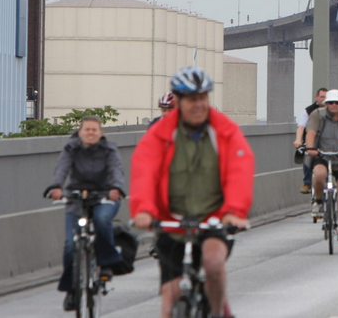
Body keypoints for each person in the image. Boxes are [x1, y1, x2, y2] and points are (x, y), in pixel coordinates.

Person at [131, 66, 254, 318]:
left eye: (203, 98)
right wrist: (144, 209)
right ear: (178, 101)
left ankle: (217, 313)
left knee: (213, 262)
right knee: (170, 300)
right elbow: (145, 171)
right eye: (191, 99)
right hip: (172, 220)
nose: (198, 105)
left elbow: (239, 170)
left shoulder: (225, 130)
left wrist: (234, 211)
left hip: (215, 218)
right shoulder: (161, 133)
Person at [46, 116, 127, 312]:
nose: (90, 133)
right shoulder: (71, 149)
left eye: (94, 130)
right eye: (87, 129)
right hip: (76, 198)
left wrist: (116, 188)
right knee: (70, 246)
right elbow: (62, 169)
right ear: (80, 132)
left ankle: (107, 263)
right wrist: (56, 186)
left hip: (104, 196)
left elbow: (116, 170)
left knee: (101, 220)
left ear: (101, 133)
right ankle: (71, 290)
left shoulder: (109, 149)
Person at [305, 89, 338, 241]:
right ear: (326, 103)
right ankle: (318, 201)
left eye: (337, 102)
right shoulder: (317, 115)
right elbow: (310, 133)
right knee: (320, 175)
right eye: (330, 102)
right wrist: (310, 149)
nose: (334, 105)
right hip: (322, 154)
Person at [294, 87, 327, 195]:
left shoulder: (333, 110)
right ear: (316, 97)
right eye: (321, 96)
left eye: (326, 97)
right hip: (311, 141)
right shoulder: (309, 110)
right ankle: (307, 183)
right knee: (307, 156)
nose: (324, 99)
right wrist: (298, 139)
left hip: (327, 141)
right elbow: (301, 126)